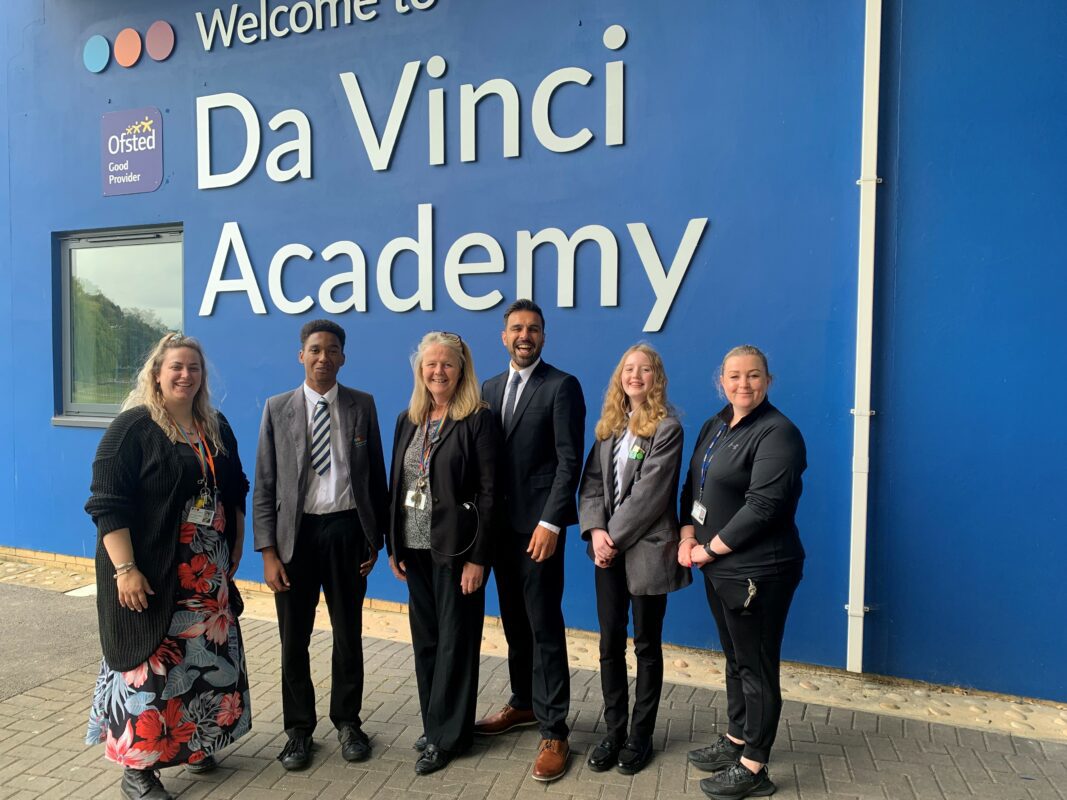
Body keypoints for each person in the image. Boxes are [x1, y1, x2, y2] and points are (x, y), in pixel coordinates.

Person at [85, 333, 251, 800]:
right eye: (176, 367)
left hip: (207, 574)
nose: (185, 375)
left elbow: (235, 487)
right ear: (156, 373)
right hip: (153, 572)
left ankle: (196, 743)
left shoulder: (215, 425)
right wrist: (125, 569)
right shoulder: (133, 428)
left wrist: (235, 544)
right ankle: (137, 770)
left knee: (203, 661)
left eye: (194, 368)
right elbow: (106, 504)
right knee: (152, 667)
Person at [253, 320, 387, 771]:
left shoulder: (362, 405)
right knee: (294, 639)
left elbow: (375, 477)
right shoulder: (277, 408)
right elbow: (265, 485)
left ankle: (348, 722)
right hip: (296, 540)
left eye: (332, 350)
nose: (323, 357)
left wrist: (375, 538)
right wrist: (268, 553)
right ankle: (298, 730)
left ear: (343, 357)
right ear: (301, 355)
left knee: (348, 635)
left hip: (348, 533)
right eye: (314, 349)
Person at [678, 345, 806, 800]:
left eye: (753, 375)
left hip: (759, 571)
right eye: (734, 376)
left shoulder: (779, 433)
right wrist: (686, 536)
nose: (743, 384)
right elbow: (694, 486)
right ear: (722, 382)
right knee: (735, 657)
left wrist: (709, 548)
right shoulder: (715, 424)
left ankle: (754, 765)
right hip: (718, 567)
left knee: (756, 665)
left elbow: (764, 506)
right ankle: (737, 738)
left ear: (768, 381)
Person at [475, 299, 585, 782]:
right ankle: (523, 703)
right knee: (514, 624)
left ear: (544, 336)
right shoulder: (488, 388)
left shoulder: (562, 386)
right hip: (498, 531)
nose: (525, 336)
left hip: (538, 531)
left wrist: (551, 523)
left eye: (534, 329)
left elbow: (568, 461)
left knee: (544, 627)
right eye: (517, 328)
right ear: (504, 336)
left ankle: (555, 730)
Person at [385, 332, 499, 775]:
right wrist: (394, 544)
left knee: (456, 642)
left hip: (458, 550)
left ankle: (449, 738)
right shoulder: (409, 419)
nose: (438, 371)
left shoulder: (477, 419)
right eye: (431, 364)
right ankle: (436, 723)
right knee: (428, 641)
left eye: (447, 364)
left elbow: (490, 493)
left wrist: (479, 558)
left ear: (461, 370)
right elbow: (397, 483)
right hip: (414, 547)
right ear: (420, 370)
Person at [577, 344, 691, 775]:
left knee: (646, 645)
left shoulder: (667, 428)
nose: (635, 375)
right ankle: (614, 731)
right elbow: (591, 484)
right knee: (609, 643)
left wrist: (613, 537)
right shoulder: (609, 426)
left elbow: (651, 495)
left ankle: (640, 736)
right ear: (619, 376)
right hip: (606, 552)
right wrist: (596, 532)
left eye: (645, 369)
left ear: (656, 377)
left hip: (647, 552)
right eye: (629, 368)